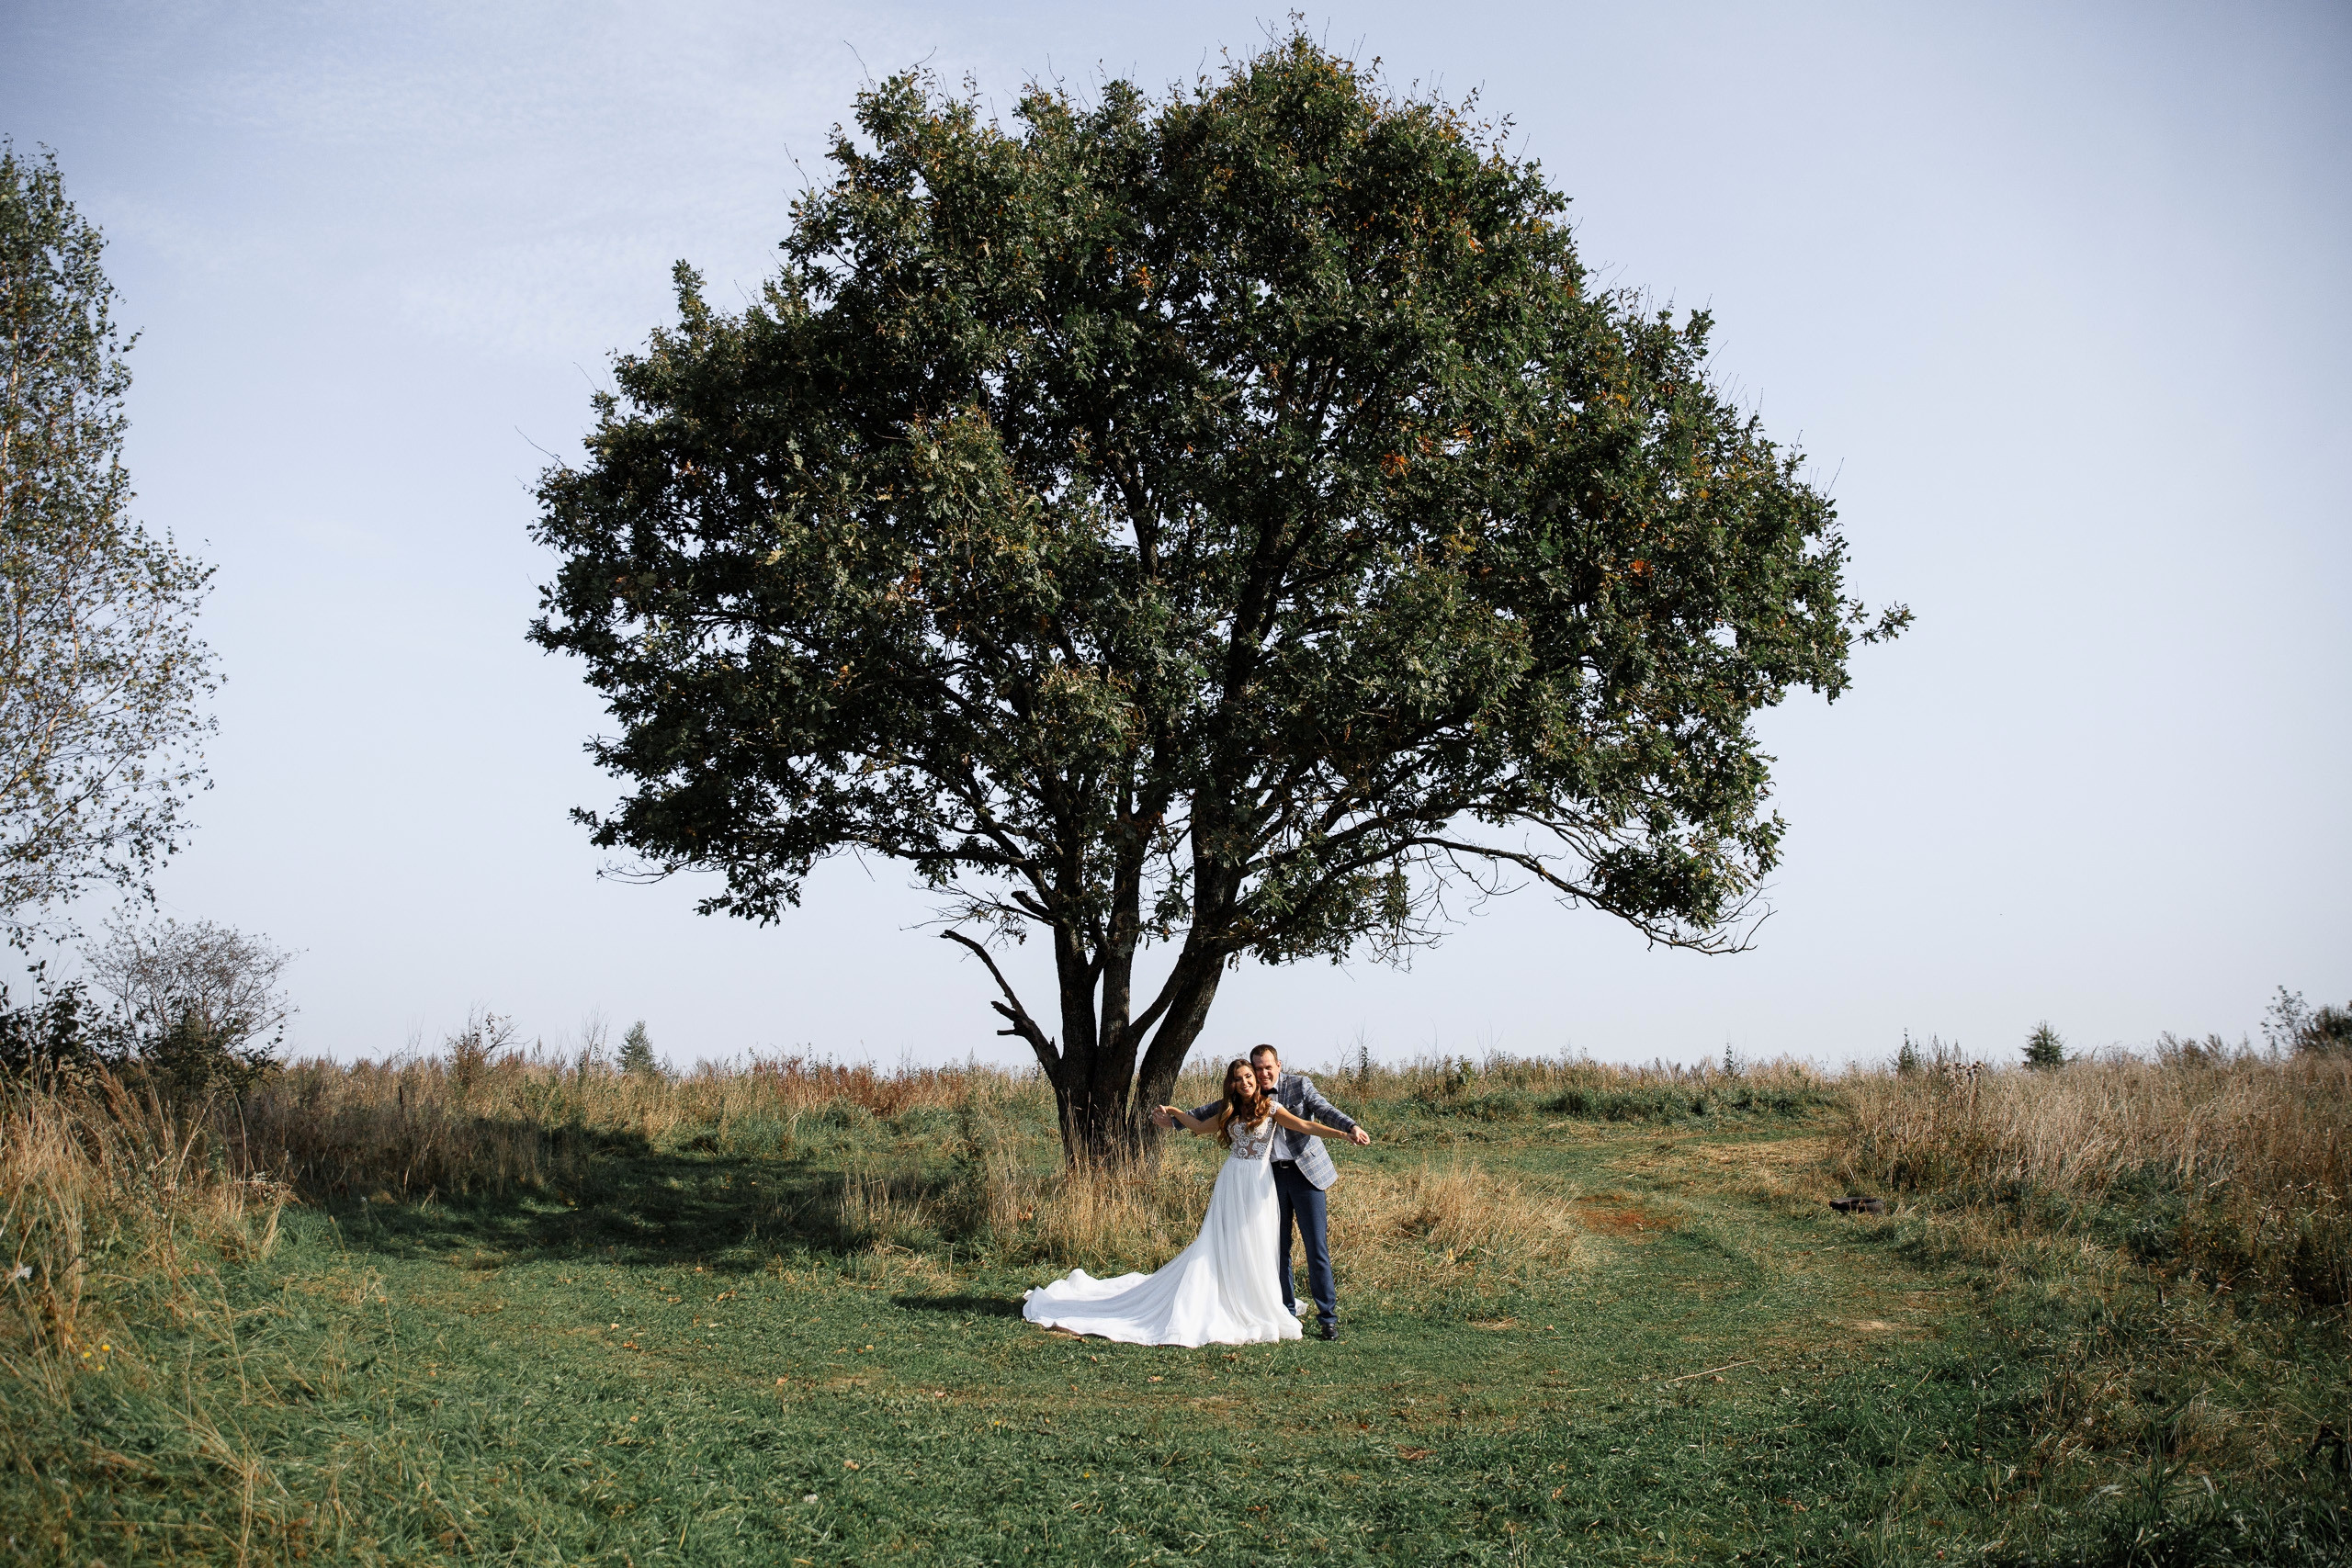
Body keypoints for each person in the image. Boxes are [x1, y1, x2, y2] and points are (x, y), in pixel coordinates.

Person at [1021, 1058, 1359, 1347]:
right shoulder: (1228, 1111)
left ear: (1258, 1080)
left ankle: (1262, 1301)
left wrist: (1344, 1133)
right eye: (1238, 1078)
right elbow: (1198, 1126)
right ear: (1231, 1083)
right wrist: (1174, 1112)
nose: (1244, 1082)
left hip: (1259, 1185)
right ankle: (1230, 1298)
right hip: (1232, 1183)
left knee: (1260, 1244)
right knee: (1223, 1241)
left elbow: (1305, 1125)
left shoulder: (1271, 1108)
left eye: (1249, 1077)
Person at [1156, 1043, 1371, 1340]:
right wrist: (1176, 1116)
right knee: (1272, 1248)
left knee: (1315, 1246)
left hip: (1302, 1174)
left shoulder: (1295, 1088)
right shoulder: (1235, 1104)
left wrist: (1348, 1130)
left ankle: (1328, 1318)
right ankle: (1283, 1309)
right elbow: (1206, 1116)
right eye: (1256, 1070)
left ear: (1278, 1065)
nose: (1260, 1074)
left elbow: (1314, 1118)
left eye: (1266, 1068)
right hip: (1255, 1180)